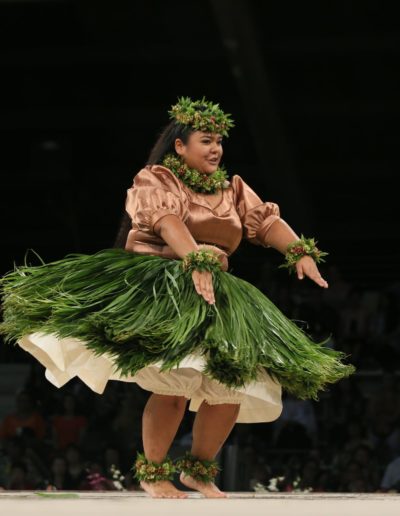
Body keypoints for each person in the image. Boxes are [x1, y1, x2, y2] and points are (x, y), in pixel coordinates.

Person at [0, 96, 354, 498]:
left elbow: (265, 220)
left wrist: (298, 251)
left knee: (233, 381)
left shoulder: (231, 188)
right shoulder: (156, 179)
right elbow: (167, 222)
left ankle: (198, 471)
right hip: (165, 286)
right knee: (176, 379)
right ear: (180, 147)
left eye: (219, 141)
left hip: (217, 292)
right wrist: (196, 256)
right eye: (206, 140)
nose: (216, 148)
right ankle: (152, 472)